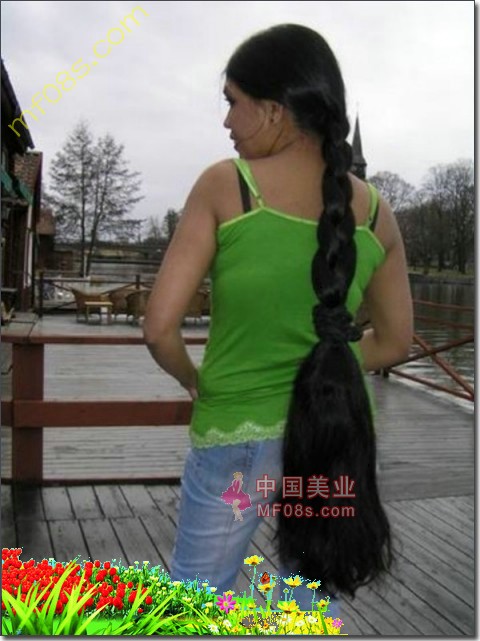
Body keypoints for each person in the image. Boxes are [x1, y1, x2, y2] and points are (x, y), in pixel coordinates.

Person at [143, 23, 413, 615]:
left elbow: (159, 327)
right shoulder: (376, 213)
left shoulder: (227, 186)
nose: (226, 122)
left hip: (236, 433)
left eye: (232, 102)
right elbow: (396, 342)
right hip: (335, 433)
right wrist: (327, 362)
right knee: (305, 608)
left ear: (273, 110)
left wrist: (192, 378)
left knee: (195, 605)